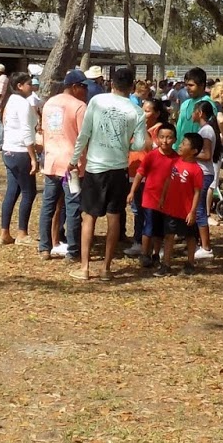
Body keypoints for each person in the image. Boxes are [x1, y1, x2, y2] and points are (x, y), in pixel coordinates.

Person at [70, 65, 147, 281]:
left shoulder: (97, 101)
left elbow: (84, 134)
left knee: (88, 217)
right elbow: (140, 143)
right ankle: (106, 268)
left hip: (95, 167)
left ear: (111, 83)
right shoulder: (137, 111)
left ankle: (84, 268)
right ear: (132, 87)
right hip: (118, 168)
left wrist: (74, 159)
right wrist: (124, 146)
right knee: (114, 218)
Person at [40, 68, 89, 259]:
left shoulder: (50, 103)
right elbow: (83, 136)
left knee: (48, 206)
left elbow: (44, 131)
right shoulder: (79, 106)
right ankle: (73, 250)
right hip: (72, 165)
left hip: (51, 160)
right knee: (73, 207)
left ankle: (44, 247)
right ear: (75, 87)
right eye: (83, 86)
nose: (86, 90)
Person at [0, 71, 40, 244]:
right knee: (29, 192)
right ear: (19, 86)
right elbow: (26, 131)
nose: (32, 86)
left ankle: (4, 232)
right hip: (21, 151)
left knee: (12, 191)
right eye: (29, 83)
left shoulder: (10, 102)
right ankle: (22, 233)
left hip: (8, 150)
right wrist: (33, 157)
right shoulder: (22, 104)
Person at [154, 133, 205, 274]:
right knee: (169, 235)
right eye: (181, 143)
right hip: (171, 208)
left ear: (194, 150)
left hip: (186, 210)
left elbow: (197, 192)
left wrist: (193, 211)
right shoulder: (176, 162)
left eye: (185, 144)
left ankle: (190, 262)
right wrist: (163, 197)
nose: (181, 146)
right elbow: (168, 181)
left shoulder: (196, 170)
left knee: (190, 236)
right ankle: (166, 264)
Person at [131, 122, 180, 271]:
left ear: (175, 139)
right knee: (149, 227)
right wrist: (132, 191)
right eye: (162, 137)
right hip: (150, 198)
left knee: (160, 229)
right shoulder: (151, 156)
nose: (165, 141)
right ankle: (145, 254)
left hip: (168, 200)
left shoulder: (177, 159)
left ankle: (156, 254)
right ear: (157, 139)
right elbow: (140, 174)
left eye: (169, 137)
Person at [190, 100, 218, 259]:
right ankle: (198, 242)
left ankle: (206, 247)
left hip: (204, 174)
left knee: (199, 210)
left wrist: (189, 154)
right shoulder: (204, 130)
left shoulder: (206, 131)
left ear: (200, 113)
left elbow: (207, 155)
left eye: (194, 111)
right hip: (202, 173)